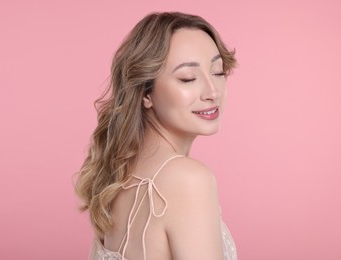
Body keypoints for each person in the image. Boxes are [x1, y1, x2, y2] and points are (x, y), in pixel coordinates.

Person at [75, 11, 237, 260]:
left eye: (217, 71)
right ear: (146, 93)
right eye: (188, 78)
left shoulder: (119, 174)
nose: (212, 91)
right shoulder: (189, 179)